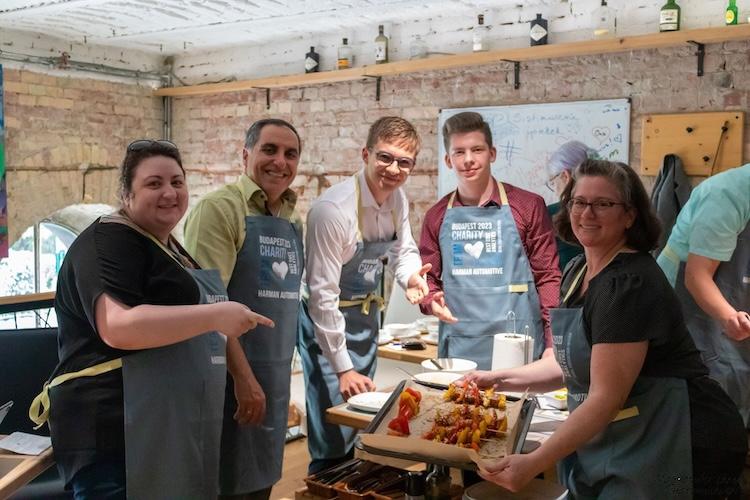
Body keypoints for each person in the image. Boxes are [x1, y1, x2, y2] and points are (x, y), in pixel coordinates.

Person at [465, 159, 746, 498]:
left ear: (630, 215)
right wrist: (498, 380)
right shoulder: (577, 271)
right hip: (629, 438)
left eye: (603, 204)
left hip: (680, 442)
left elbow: (605, 398)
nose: (587, 213)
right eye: (579, 202)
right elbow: (572, 363)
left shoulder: (628, 284)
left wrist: (534, 462)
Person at [30, 140, 272, 499]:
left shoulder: (169, 246)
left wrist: (240, 373)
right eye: (154, 183)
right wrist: (216, 315)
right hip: (116, 429)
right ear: (126, 194)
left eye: (177, 182)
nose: (169, 193)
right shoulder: (108, 242)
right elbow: (118, 327)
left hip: (164, 421)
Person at [298, 116, 429, 474]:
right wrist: (342, 367)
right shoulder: (332, 211)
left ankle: (351, 485)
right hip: (325, 326)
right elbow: (321, 296)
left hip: (366, 321)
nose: (393, 169)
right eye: (385, 157)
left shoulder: (397, 199)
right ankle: (323, 485)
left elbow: (403, 252)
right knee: (332, 427)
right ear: (366, 153)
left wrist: (412, 278)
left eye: (404, 162)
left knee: (362, 419)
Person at [184, 118, 303, 500]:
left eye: (290, 154)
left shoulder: (291, 217)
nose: (280, 162)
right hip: (228, 378)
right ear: (246, 154)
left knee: (259, 483)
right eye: (270, 150)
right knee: (225, 483)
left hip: (274, 375)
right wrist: (244, 379)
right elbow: (210, 306)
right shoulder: (219, 209)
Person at [418, 111, 560, 368]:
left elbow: (548, 276)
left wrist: (552, 344)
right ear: (448, 160)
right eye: (459, 152)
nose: (469, 160)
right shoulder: (436, 216)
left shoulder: (528, 206)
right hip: (459, 349)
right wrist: (431, 301)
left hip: (520, 346)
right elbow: (428, 278)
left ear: (492, 153)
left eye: (477, 150)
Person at [656, 163, 750, 426]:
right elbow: (697, 277)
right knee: (713, 392)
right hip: (691, 302)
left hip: (736, 294)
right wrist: (730, 317)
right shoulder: (728, 194)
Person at [545, 141, 589, 271]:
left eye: (553, 182)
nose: (555, 189)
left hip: (564, 287)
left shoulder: (549, 213)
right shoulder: (608, 208)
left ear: (565, 176)